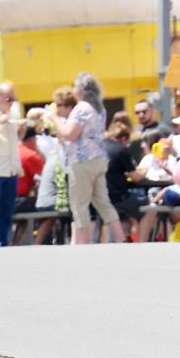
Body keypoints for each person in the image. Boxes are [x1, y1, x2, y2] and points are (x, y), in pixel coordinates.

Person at [44, 75, 126, 244]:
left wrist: (54, 118)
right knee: (103, 202)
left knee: (79, 203)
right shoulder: (99, 108)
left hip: (82, 161)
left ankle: (83, 242)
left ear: (80, 90)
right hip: (98, 158)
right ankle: (120, 238)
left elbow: (69, 134)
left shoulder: (81, 108)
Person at [0, 82, 24, 247]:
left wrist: (24, 125)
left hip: (12, 167)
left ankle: (3, 242)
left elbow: (20, 135)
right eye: (8, 98)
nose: (11, 102)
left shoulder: (15, 112)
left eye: (13, 98)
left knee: (7, 209)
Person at [103, 119, 146, 240]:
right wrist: (144, 171)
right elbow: (136, 177)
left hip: (100, 197)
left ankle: (123, 240)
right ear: (123, 139)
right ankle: (145, 242)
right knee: (149, 208)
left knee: (123, 215)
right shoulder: (121, 150)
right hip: (117, 197)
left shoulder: (99, 146)